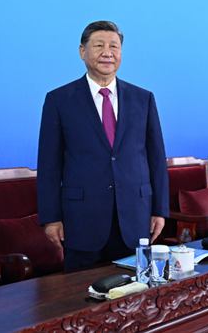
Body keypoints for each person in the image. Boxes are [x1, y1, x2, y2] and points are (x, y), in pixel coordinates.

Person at [37, 20, 169, 272]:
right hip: (82, 220)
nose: (107, 53)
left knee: (134, 290)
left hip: (134, 217)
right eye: (99, 46)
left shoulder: (143, 99)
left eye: (114, 46)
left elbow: (156, 158)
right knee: (80, 291)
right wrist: (51, 218)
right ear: (82, 51)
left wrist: (159, 210)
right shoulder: (59, 100)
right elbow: (49, 165)